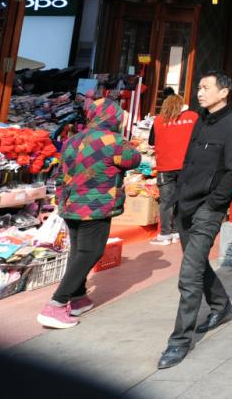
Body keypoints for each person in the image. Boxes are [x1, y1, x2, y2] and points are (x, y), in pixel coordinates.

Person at [156, 72, 232, 370]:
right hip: (186, 203)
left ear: (224, 92)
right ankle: (221, 305)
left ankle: (179, 341)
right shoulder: (200, 120)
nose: (200, 92)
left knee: (189, 274)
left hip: (209, 208)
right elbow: (188, 161)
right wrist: (177, 199)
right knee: (195, 264)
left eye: (206, 88)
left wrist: (214, 203)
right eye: (198, 87)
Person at [37, 98, 141, 329]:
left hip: (70, 203)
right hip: (96, 205)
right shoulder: (113, 141)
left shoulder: (72, 140)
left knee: (78, 251)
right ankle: (56, 304)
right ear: (113, 117)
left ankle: (78, 297)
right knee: (90, 251)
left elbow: (62, 172)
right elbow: (134, 159)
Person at [149, 93, 198, 246]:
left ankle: (165, 234)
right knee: (182, 199)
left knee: (166, 201)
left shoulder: (158, 120)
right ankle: (178, 231)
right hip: (187, 165)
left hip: (165, 166)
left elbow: (151, 141)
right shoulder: (193, 117)